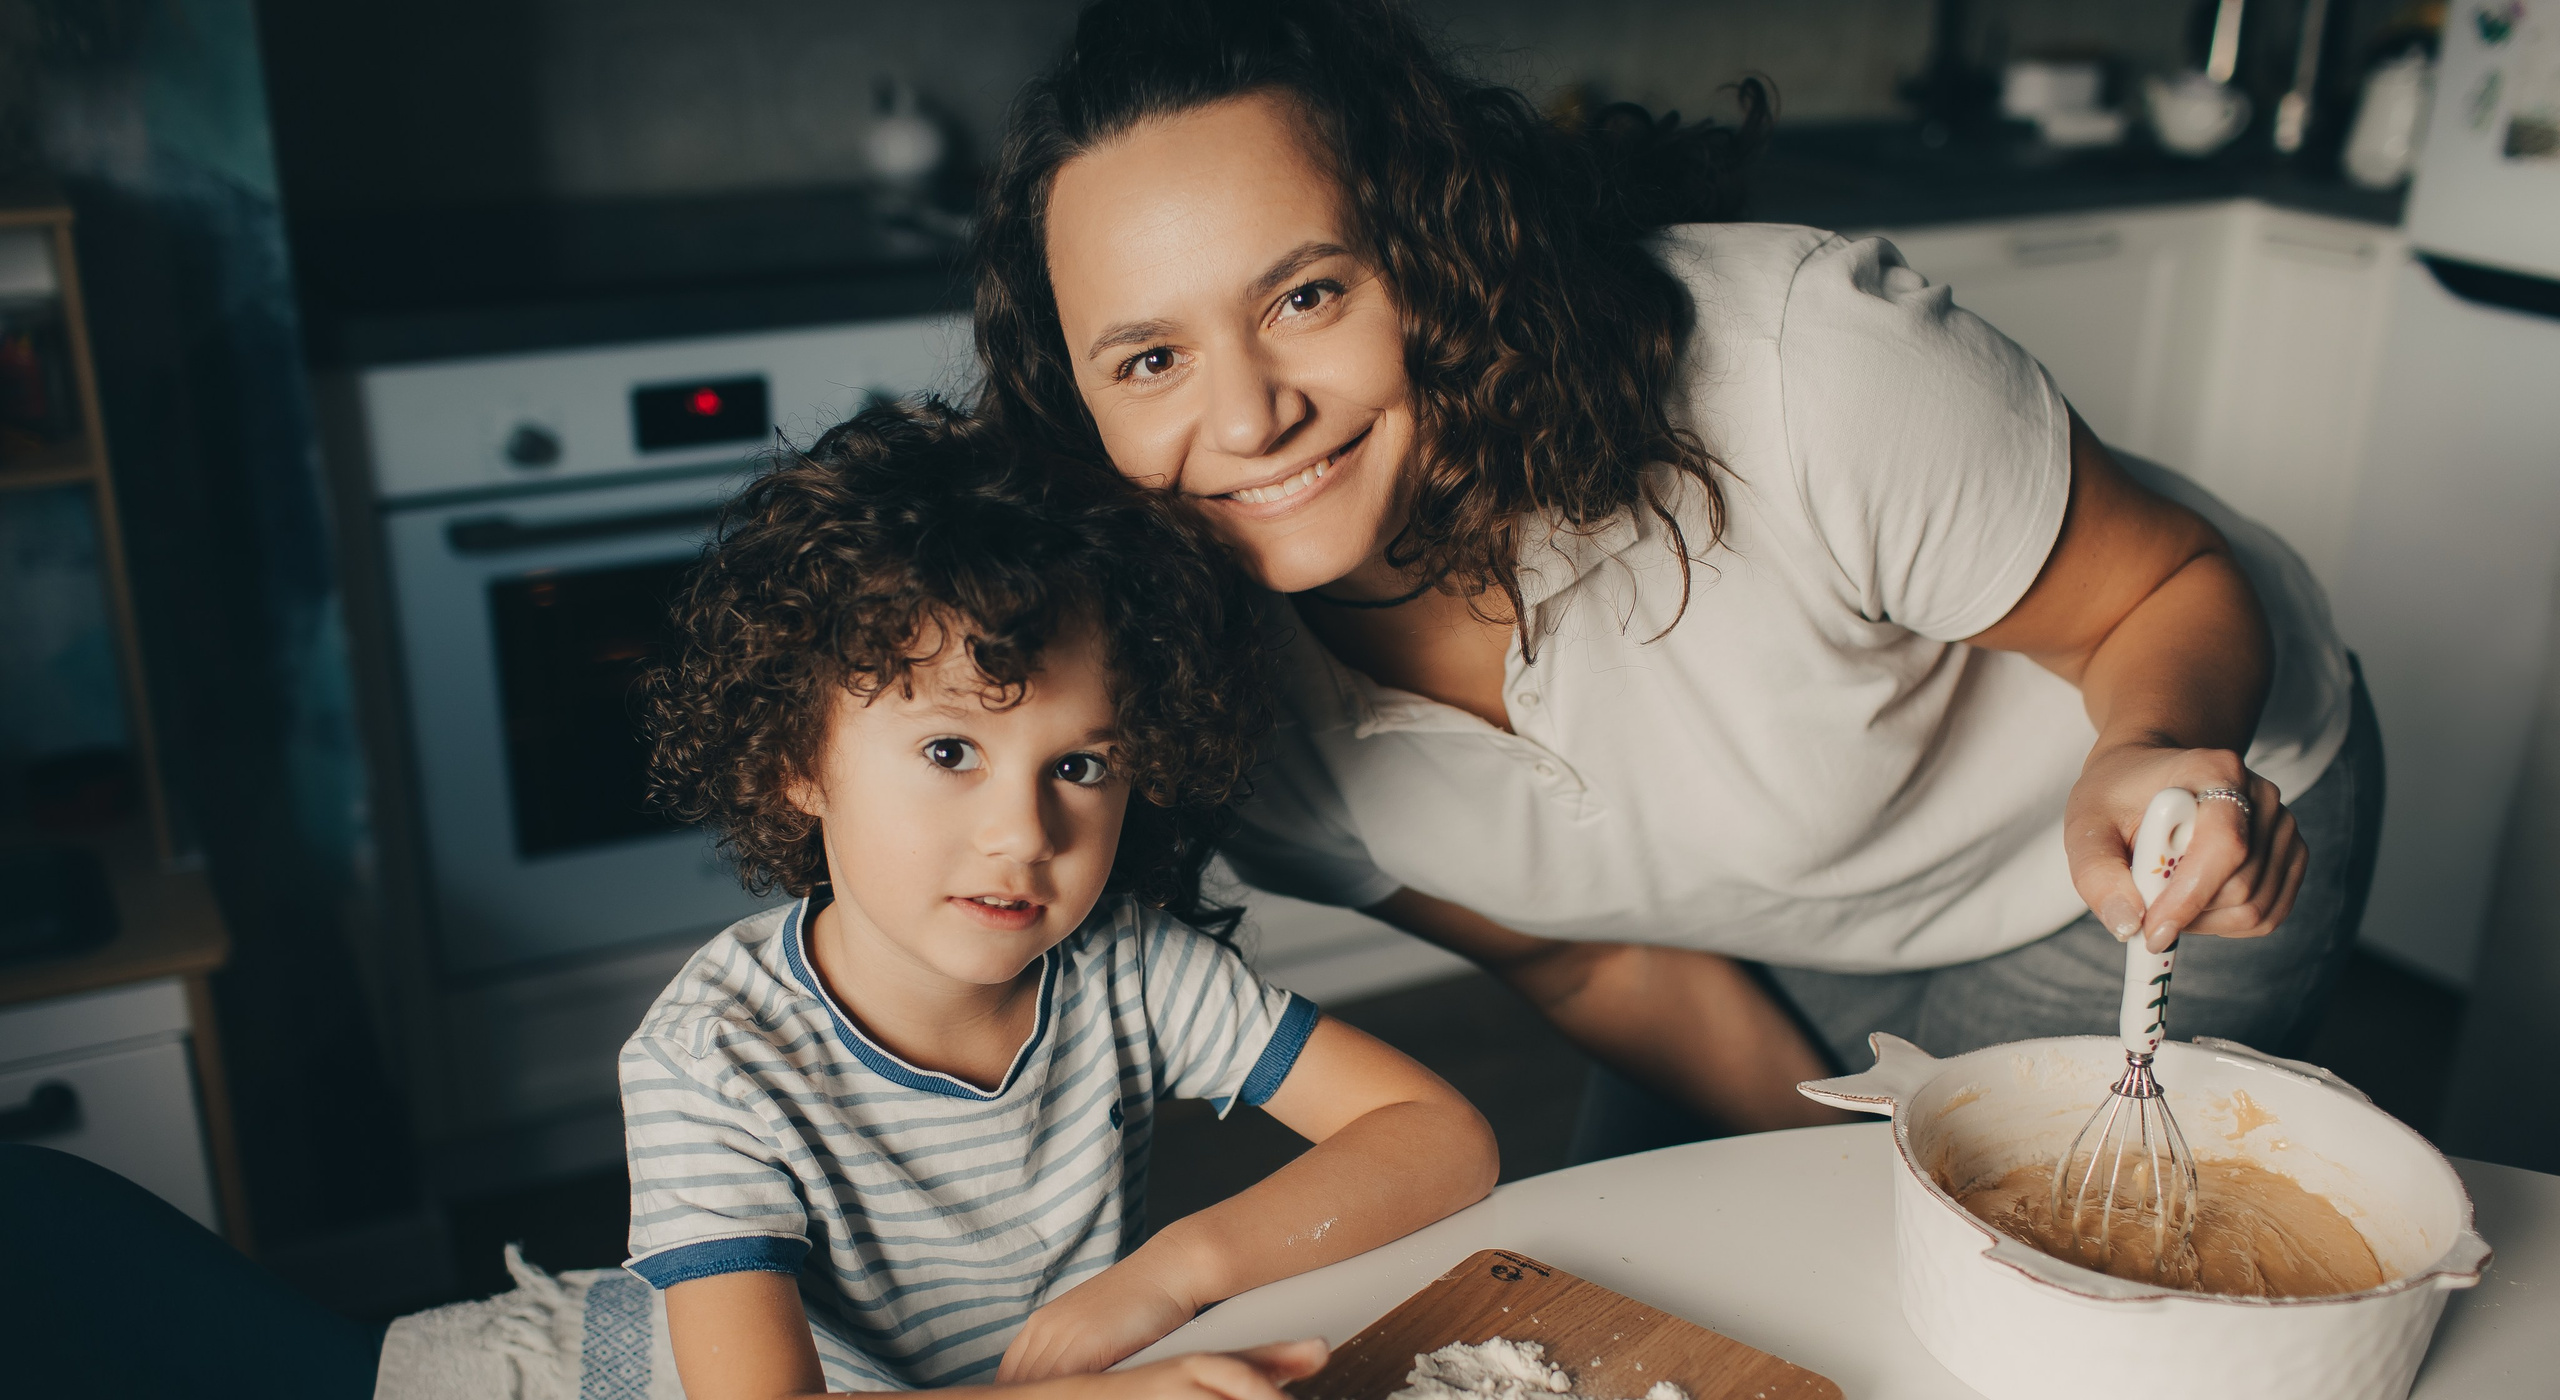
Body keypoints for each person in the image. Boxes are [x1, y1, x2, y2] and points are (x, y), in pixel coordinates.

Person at [970, 0, 2383, 1163]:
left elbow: (2165, 589)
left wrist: (2148, 752)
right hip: (1778, 907)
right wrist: (1849, 1186)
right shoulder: (1197, 705)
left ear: (1434, 259)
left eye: (1306, 296)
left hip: (2135, 853)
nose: (1244, 418)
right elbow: (1590, 965)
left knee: (2055, 1314)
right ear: (1075, 403)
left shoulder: (1798, 373)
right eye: (1149, 358)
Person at [624, 400, 1501, 1400]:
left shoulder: (1127, 964)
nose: (1020, 833)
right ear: (796, 761)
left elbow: (1442, 1140)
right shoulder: (716, 1057)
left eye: (1080, 763)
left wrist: (1170, 1276)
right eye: (948, 750)